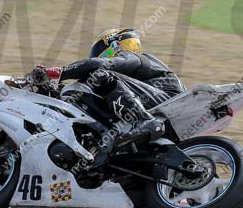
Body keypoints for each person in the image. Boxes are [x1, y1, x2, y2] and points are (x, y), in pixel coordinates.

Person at [30, 28, 185, 144]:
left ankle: (144, 121)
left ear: (117, 46)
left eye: (103, 54)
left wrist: (56, 72)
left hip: (170, 102)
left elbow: (97, 65)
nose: (102, 57)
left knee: (99, 74)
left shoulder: (138, 58)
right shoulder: (128, 82)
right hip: (163, 109)